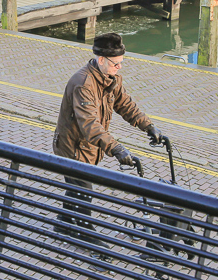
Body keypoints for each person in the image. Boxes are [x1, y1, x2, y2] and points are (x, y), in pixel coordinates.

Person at [52, 32, 162, 246]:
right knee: (83, 191)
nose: (119, 67)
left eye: (122, 62)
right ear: (101, 59)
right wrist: (117, 149)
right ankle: (86, 235)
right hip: (74, 149)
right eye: (116, 63)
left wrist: (148, 126)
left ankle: (64, 222)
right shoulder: (83, 84)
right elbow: (90, 126)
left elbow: (125, 104)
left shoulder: (110, 78)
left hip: (88, 148)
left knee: (78, 188)